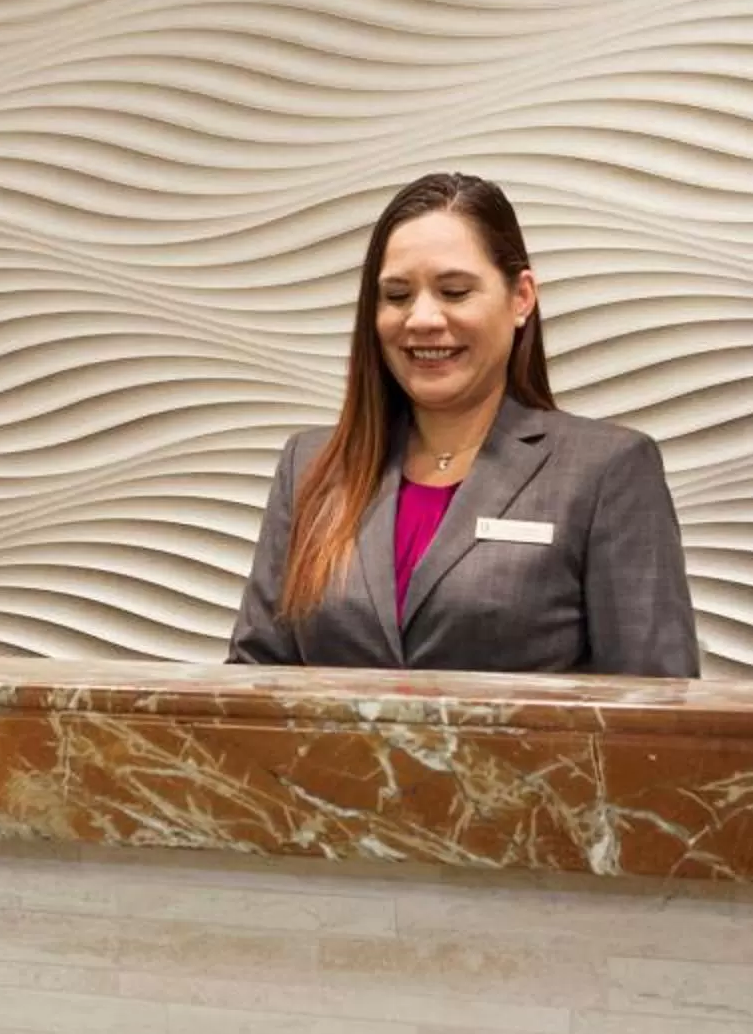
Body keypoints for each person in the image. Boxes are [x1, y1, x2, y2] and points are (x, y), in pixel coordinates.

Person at [226, 171, 699, 677]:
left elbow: (659, 711)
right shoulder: (310, 467)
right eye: (397, 295)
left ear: (521, 298)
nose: (422, 319)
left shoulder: (607, 471)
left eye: (453, 292)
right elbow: (251, 684)